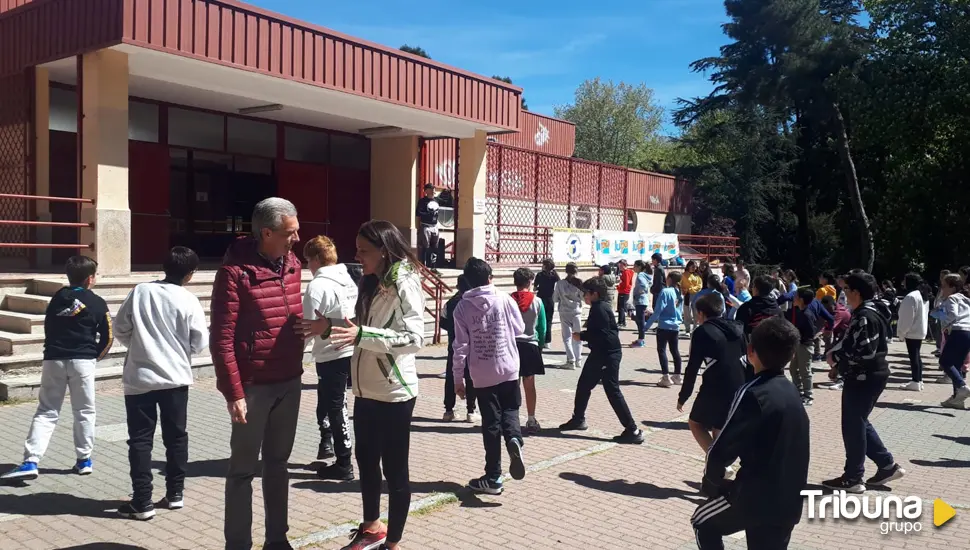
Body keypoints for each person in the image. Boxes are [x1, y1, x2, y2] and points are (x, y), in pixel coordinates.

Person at [212, 198, 304, 550]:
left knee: (278, 465)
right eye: (289, 233)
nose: (296, 239)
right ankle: (238, 544)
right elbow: (221, 338)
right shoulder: (235, 273)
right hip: (253, 387)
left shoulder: (292, 262)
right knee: (242, 471)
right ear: (266, 232)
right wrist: (233, 392)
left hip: (289, 380)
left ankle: (277, 540)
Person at [328, 220, 425, 550]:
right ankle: (372, 527)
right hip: (365, 389)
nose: (357, 255)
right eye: (356, 248)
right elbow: (359, 329)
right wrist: (326, 327)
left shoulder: (405, 282)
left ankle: (393, 543)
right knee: (366, 461)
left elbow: (415, 338)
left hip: (394, 392)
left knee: (395, 471)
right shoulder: (370, 281)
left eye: (363, 250)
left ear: (384, 251)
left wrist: (365, 335)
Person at [691, 318, 810, 549]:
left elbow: (721, 450)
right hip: (790, 499)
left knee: (702, 520)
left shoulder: (752, 393)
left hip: (753, 498)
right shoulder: (792, 392)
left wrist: (712, 484)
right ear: (792, 355)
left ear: (750, 351)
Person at [112, 246, 208, 520]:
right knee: (176, 437)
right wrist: (179, 351)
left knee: (140, 440)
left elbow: (120, 327)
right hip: (175, 377)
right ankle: (175, 493)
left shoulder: (140, 291)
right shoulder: (188, 300)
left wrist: (140, 345)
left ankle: (142, 501)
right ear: (190, 274)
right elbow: (200, 341)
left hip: (140, 378)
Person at [1, 256, 112, 481]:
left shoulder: (57, 298)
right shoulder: (98, 302)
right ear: (91, 278)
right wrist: (94, 357)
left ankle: (31, 460)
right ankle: (84, 460)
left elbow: (49, 326)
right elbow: (108, 337)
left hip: (54, 359)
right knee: (84, 411)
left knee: (47, 410)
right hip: (83, 361)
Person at [823, 272, 906, 493]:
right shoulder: (871, 311)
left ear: (856, 292)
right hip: (868, 375)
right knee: (859, 422)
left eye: (847, 289)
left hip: (864, 377)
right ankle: (886, 465)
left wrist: (838, 361)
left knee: (853, 425)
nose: (844, 294)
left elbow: (864, 351)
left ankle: (853, 477)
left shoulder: (865, 316)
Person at [451, 258, 527, 495]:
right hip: (509, 367)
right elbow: (520, 329)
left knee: (491, 423)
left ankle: (494, 476)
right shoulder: (505, 299)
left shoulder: (462, 307)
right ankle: (514, 438)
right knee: (511, 410)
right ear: (490, 277)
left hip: (482, 374)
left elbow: (460, 346)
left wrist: (457, 379)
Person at [559, 277, 643, 444]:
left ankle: (633, 430)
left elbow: (604, 335)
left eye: (586, 294)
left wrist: (582, 336)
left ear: (595, 294)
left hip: (607, 354)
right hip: (600, 353)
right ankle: (578, 419)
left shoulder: (600, 309)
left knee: (612, 390)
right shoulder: (599, 307)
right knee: (584, 385)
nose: (584, 297)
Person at [302, 236, 359, 481]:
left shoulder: (317, 286)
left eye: (308, 261)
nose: (307, 266)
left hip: (329, 351)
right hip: (349, 347)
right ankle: (329, 445)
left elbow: (307, 326)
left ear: (316, 259)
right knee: (330, 402)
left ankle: (344, 460)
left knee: (336, 406)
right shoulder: (349, 279)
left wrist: (295, 356)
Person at [677, 294, 746, 458]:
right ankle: (719, 470)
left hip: (715, 386)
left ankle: (718, 463)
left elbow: (692, 367)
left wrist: (683, 395)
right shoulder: (738, 328)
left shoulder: (702, 332)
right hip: (740, 384)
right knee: (718, 427)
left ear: (701, 313)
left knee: (695, 423)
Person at [510, 267, 547, 435]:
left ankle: (512, 418)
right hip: (531, 344)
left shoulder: (508, 300)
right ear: (530, 281)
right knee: (529, 384)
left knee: (512, 384)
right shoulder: (537, 301)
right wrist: (541, 343)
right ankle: (531, 419)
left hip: (512, 344)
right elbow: (542, 326)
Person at [440, 275, 478, 422]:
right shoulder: (472, 303)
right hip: (471, 346)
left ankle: (448, 410)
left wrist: (452, 329)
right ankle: (471, 410)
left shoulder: (450, 303)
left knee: (451, 376)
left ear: (457, 287)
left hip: (453, 345)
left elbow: (442, 321)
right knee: (470, 377)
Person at [930, 274, 970, 408]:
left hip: (958, 331)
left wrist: (939, 315)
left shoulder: (952, 298)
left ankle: (962, 386)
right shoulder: (966, 299)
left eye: (944, 286)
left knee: (944, 361)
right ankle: (957, 398)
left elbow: (953, 315)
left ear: (952, 287)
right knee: (956, 365)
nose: (942, 289)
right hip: (967, 332)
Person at [641, 272, 685, 388]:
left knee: (662, 350)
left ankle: (666, 377)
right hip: (675, 326)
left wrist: (646, 326)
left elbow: (658, 311)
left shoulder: (666, 292)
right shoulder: (679, 293)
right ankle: (677, 375)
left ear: (670, 279)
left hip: (664, 326)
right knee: (675, 350)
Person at [786, 288, 819, 406]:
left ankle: (808, 395)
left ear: (801, 300)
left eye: (795, 296)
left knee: (805, 371)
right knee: (793, 369)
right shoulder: (799, 311)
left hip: (805, 345)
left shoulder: (807, 314)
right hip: (798, 345)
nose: (793, 298)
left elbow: (811, 332)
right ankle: (798, 391)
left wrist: (799, 338)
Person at [897, 273, 928, 392]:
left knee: (913, 356)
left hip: (912, 330)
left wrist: (901, 332)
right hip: (919, 329)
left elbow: (907, 317)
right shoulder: (921, 295)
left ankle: (916, 380)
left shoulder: (911, 296)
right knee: (916, 356)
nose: (902, 283)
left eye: (904, 280)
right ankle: (918, 380)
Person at [553, 263, 585, 370]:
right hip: (576, 311)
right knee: (578, 336)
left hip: (564, 311)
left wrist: (563, 299)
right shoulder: (579, 283)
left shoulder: (560, 283)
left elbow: (555, 298)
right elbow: (584, 297)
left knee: (567, 337)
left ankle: (571, 360)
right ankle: (578, 359)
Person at [735, 276, 781, 343]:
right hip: (774, 347)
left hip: (754, 348)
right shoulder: (777, 309)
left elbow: (739, 331)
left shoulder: (747, 308)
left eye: (753, 286)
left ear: (756, 289)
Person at [819, 295, 851, 391]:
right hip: (842, 336)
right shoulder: (834, 310)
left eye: (828, 308)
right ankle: (837, 374)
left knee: (834, 355)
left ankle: (841, 380)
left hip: (848, 336)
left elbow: (830, 327)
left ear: (833, 304)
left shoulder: (839, 313)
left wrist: (818, 333)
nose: (827, 310)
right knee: (833, 355)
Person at [533, 259, 559, 349]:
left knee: (540, 320)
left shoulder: (540, 275)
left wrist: (539, 287)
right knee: (549, 320)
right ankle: (548, 340)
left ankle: (540, 339)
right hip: (550, 299)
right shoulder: (554, 274)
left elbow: (535, 288)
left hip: (541, 298)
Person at [415, 183, 440, 269]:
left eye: (434, 188)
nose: (433, 190)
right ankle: (423, 266)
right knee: (425, 246)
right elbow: (418, 213)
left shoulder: (436, 200)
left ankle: (433, 267)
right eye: (430, 188)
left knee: (435, 247)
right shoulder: (422, 201)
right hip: (426, 226)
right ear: (426, 191)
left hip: (435, 226)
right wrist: (428, 214)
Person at [630, 260, 653, 348]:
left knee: (640, 321)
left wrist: (639, 293)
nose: (633, 268)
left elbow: (644, 286)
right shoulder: (645, 275)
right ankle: (640, 339)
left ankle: (641, 340)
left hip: (640, 301)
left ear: (639, 267)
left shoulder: (640, 275)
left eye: (635, 266)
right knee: (640, 320)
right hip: (642, 300)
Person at [681, 260, 703, 335]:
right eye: (693, 266)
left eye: (695, 267)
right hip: (687, 295)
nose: (694, 268)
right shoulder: (684, 275)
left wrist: (690, 289)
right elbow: (681, 284)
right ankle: (687, 329)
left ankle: (695, 328)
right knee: (687, 312)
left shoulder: (698, 276)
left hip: (696, 295)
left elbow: (699, 286)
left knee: (696, 312)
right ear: (688, 266)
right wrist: (684, 290)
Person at [616, 259, 634, 327]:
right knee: (621, 307)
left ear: (624, 265)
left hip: (623, 291)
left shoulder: (626, 273)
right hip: (624, 291)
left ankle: (622, 322)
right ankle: (621, 321)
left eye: (620, 266)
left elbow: (625, 284)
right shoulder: (627, 272)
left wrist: (618, 285)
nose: (619, 268)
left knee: (621, 308)